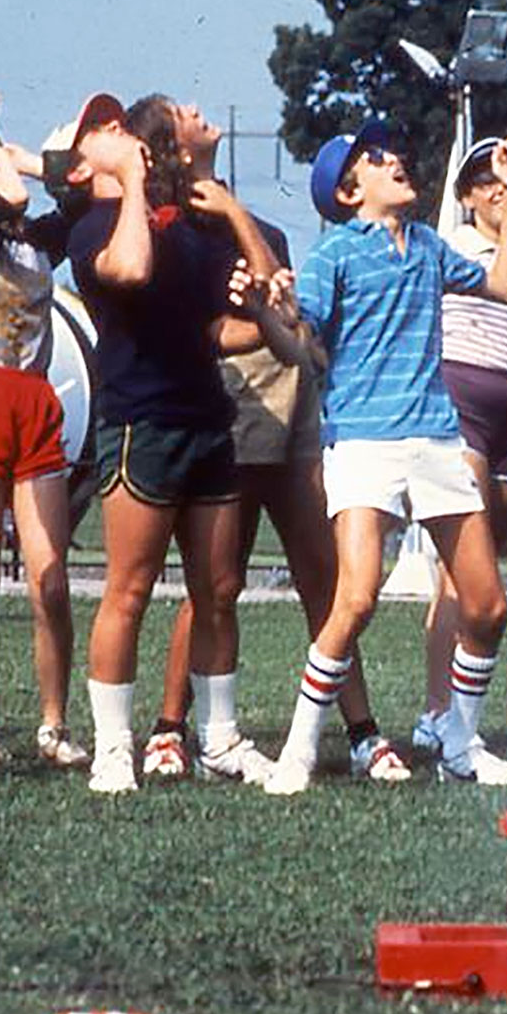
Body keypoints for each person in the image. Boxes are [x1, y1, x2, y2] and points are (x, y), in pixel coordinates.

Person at [131, 95, 408, 784]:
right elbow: (220, 328)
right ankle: (170, 728)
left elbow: (286, 312)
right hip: (233, 408)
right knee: (212, 582)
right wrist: (274, 321)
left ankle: (363, 732)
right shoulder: (174, 228)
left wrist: (236, 219)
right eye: (181, 113)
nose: (198, 110)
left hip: (293, 415)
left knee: (326, 579)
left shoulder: (252, 226)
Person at [263, 118, 507, 794]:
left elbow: (502, 288)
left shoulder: (431, 246)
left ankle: (461, 747)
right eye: (376, 159)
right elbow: (299, 345)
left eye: (391, 151)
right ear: (349, 193)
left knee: (489, 606)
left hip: (438, 439)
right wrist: (276, 312)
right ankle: (296, 750)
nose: (396, 160)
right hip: (361, 442)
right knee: (354, 598)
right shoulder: (333, 255)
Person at [56, 92, 294, 794]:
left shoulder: (192, 230)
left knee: (219, 589)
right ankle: (111, 749)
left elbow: (249, 308)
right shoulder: (91, 226)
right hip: (140, 423)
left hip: (205, 420)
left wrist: (235, 230)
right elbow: (128, 270)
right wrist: (130, 180)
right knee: (127, 591)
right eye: (101, 132)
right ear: (83, 164)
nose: (116, 137)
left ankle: (220, 739)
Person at [0, 137, 87, 773]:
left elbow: (78, 188)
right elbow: (10, 195)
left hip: (32, 404)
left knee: (50, 577)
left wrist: (16, 153)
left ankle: (54, 722)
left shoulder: (38, 241)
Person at [415, 136, 507, 758]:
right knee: (459, 570)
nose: (499, 190)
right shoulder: (455, 249)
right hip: (464, 403)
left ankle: (459, 703)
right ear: (467, 196)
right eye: (486, 181)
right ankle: (439, 711)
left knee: (491, 554)